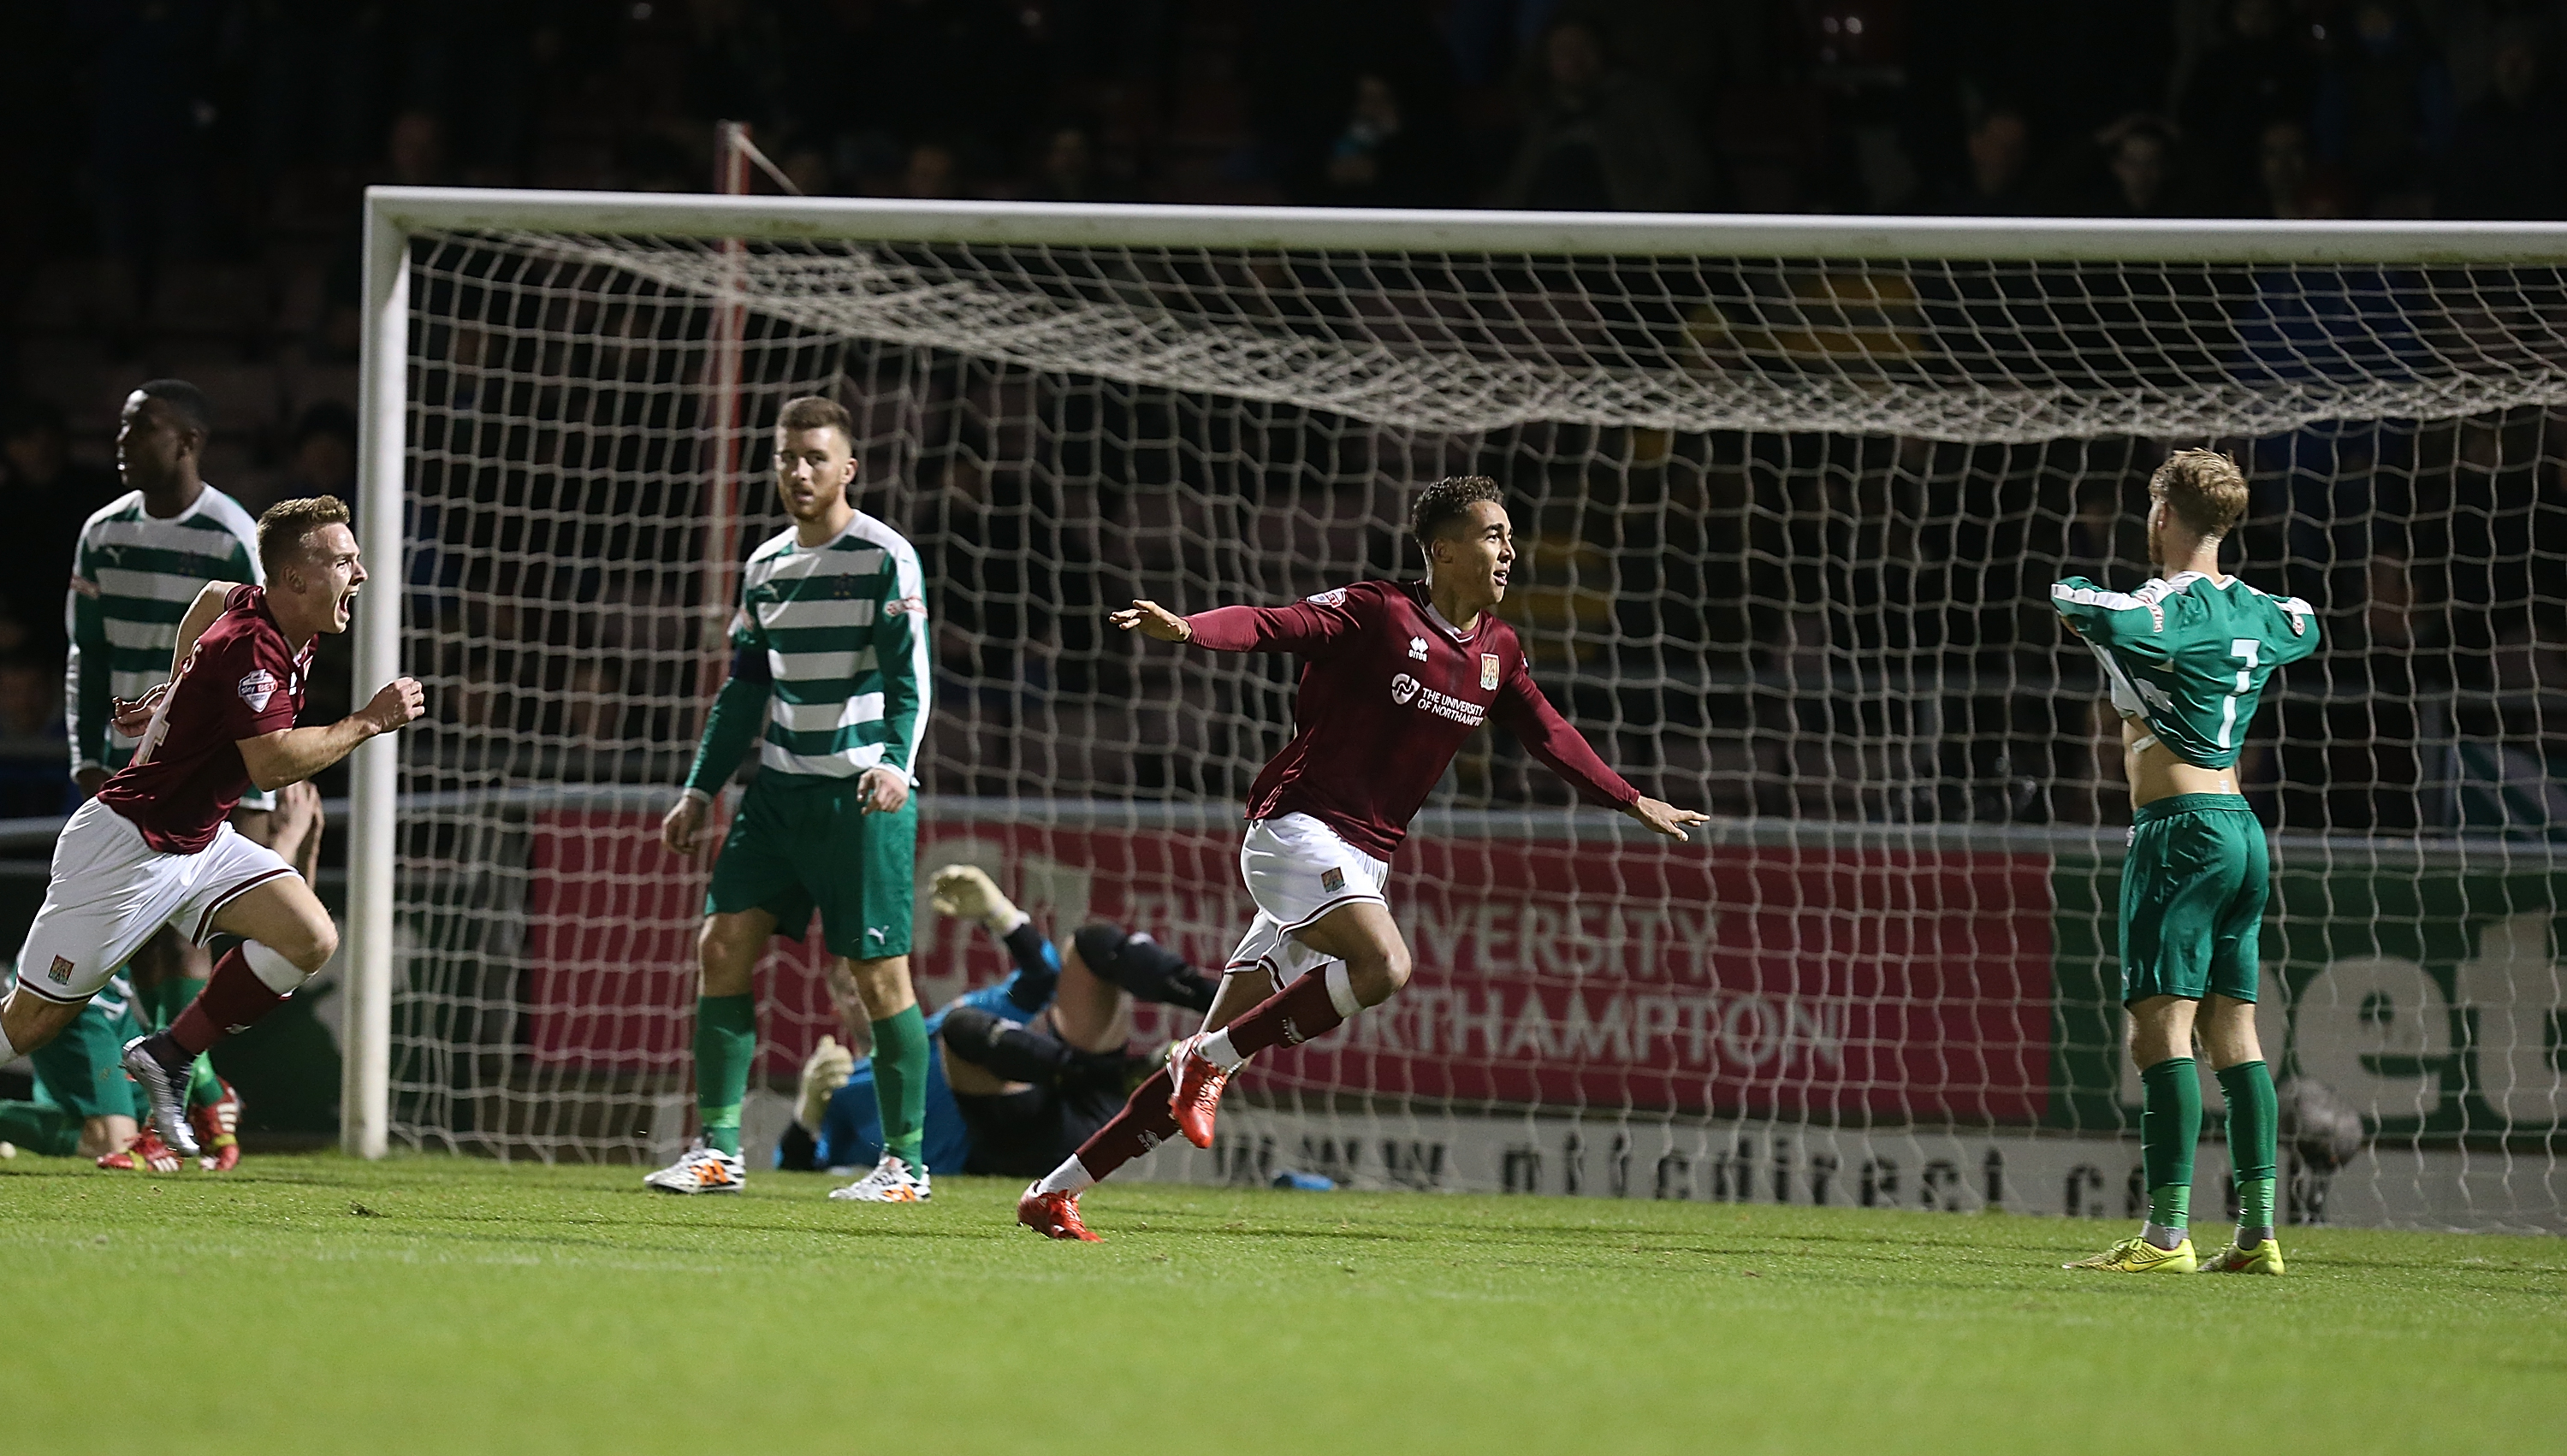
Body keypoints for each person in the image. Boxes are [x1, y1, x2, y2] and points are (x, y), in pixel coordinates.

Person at [1017, 475, 1706, 1240]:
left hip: (1365, 861)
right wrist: (1188, 630)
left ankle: (1055, 1191)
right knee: (1384, 967)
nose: (1509, 550)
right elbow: (1271, 624)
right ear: (1443, 550)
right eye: (1492, 535)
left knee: (1213, 1059)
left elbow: (1547, 731)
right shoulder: (1378, 611)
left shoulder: (1497, 651)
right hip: (1297, 830)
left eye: (1509, 537)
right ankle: (1205, 1061)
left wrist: (1629, 797)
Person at [3, 495, 424, 1162]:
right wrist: (370, 720)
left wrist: (175, 689)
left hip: (198, 840)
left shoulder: (268, 609)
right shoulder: (255, 651)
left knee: (308, 936)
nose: (361, 574)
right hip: (126, 848)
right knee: (27, 1026)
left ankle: (168, 1055)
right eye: (346, 561)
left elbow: (209, 596)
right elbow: (274, 762)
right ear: (296, 578)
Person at [649, 395, 934, 1202]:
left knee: (878, 976)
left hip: (859, 797)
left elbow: (912, 677)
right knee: (720, 946)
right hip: (776, 793)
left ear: (848, 468)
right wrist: (701, 790)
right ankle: (719, 1151)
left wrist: (894, 764)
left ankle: (906, 1166)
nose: (799, 471)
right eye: (786, 457)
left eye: (815, 458)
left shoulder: (885, 556)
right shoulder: (766, 566)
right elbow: (741, 692)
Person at [2051, 449, 2317, 1275]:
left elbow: (2078, 601)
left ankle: (2166, 1234)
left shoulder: (2162, 610)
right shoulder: (2268, 613)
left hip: (2178, 830)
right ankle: (2259, 1232)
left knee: (2157, 1034)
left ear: (2163, 514)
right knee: (2235, 1032)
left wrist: (2119, 606)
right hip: (2242, 830)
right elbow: (2304, 626)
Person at [780, 866, 1207, 1179]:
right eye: (850, 987)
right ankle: (1125, 1075)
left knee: (1092, 945)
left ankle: (1226, 1006)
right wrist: (807, 1117)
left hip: (1082, 1106)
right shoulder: (843, 1087)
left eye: (873, 974)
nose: (867, 991)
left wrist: (1000, 914)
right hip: (1017, 1147)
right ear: (834, 1005)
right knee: (962, 1029)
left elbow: (1042, 977)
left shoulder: (941, 1022)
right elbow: (798, 1178)